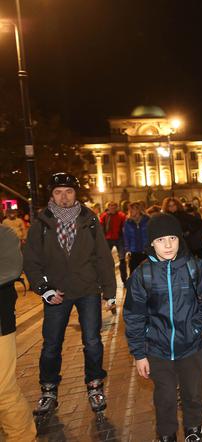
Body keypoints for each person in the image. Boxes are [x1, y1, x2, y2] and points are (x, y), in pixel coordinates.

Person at [23, 172, 116, 418]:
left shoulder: (90, 219)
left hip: (87, 290)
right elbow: (31, 260)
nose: (64, 197)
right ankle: (49, 390)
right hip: (57, 294)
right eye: (58, 192)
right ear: (52, 195)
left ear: (76, 194)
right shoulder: (41, 223)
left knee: (93, 342)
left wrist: (109, 292)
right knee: (51, 345)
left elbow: (103, 257)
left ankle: (95, 386)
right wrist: (44, 289)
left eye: (69, 191)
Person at [123, 213, 202, 442]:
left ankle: (193, 428)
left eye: (172, 239)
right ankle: (166, 433)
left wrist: (196, 327)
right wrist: (139, 354)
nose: (167, 245)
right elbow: (134, 316)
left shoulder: (193, 267)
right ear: (152, 243)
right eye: (161, 240)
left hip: (191, 346)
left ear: (179, 239)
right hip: (157, 348)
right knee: (164, 397)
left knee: (193, 393)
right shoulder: (143, 274)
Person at [0, 225, 37, 441]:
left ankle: (23, 436)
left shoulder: (4, 235)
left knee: (3, 389)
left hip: (0, 324)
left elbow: (11, 269)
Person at [162, 197, 202, 264]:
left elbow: (199, 223)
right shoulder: (166, 219)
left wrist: (189, 231)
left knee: (201, 267)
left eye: (174, 205)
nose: (172, 207)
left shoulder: (184, 215)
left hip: (195, 245)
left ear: (177, 205)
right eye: (169, 206)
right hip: (180, 248)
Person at [99, 201, 128, 285]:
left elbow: (125, 227)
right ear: (108, 207)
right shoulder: (104, 216)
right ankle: (107, 279)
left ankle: (124, 279)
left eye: (114, 206)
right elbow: (101, 227)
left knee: (122, 259)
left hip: (119, 238)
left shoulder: (121, 216)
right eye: (110, 206)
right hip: (107, 239)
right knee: (106, 260)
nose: (112, 207)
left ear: (116, 207)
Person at [123, 202, 150, 274]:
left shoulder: (147, 220)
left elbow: (151, 235)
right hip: (134, 252)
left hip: (146, 251)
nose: (130, 211)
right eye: (130, 209)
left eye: (133, 209)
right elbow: (126, 237)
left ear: (139, 210)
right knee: (134, 274)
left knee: (146, 274)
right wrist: (127, 250)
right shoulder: (128, 222)